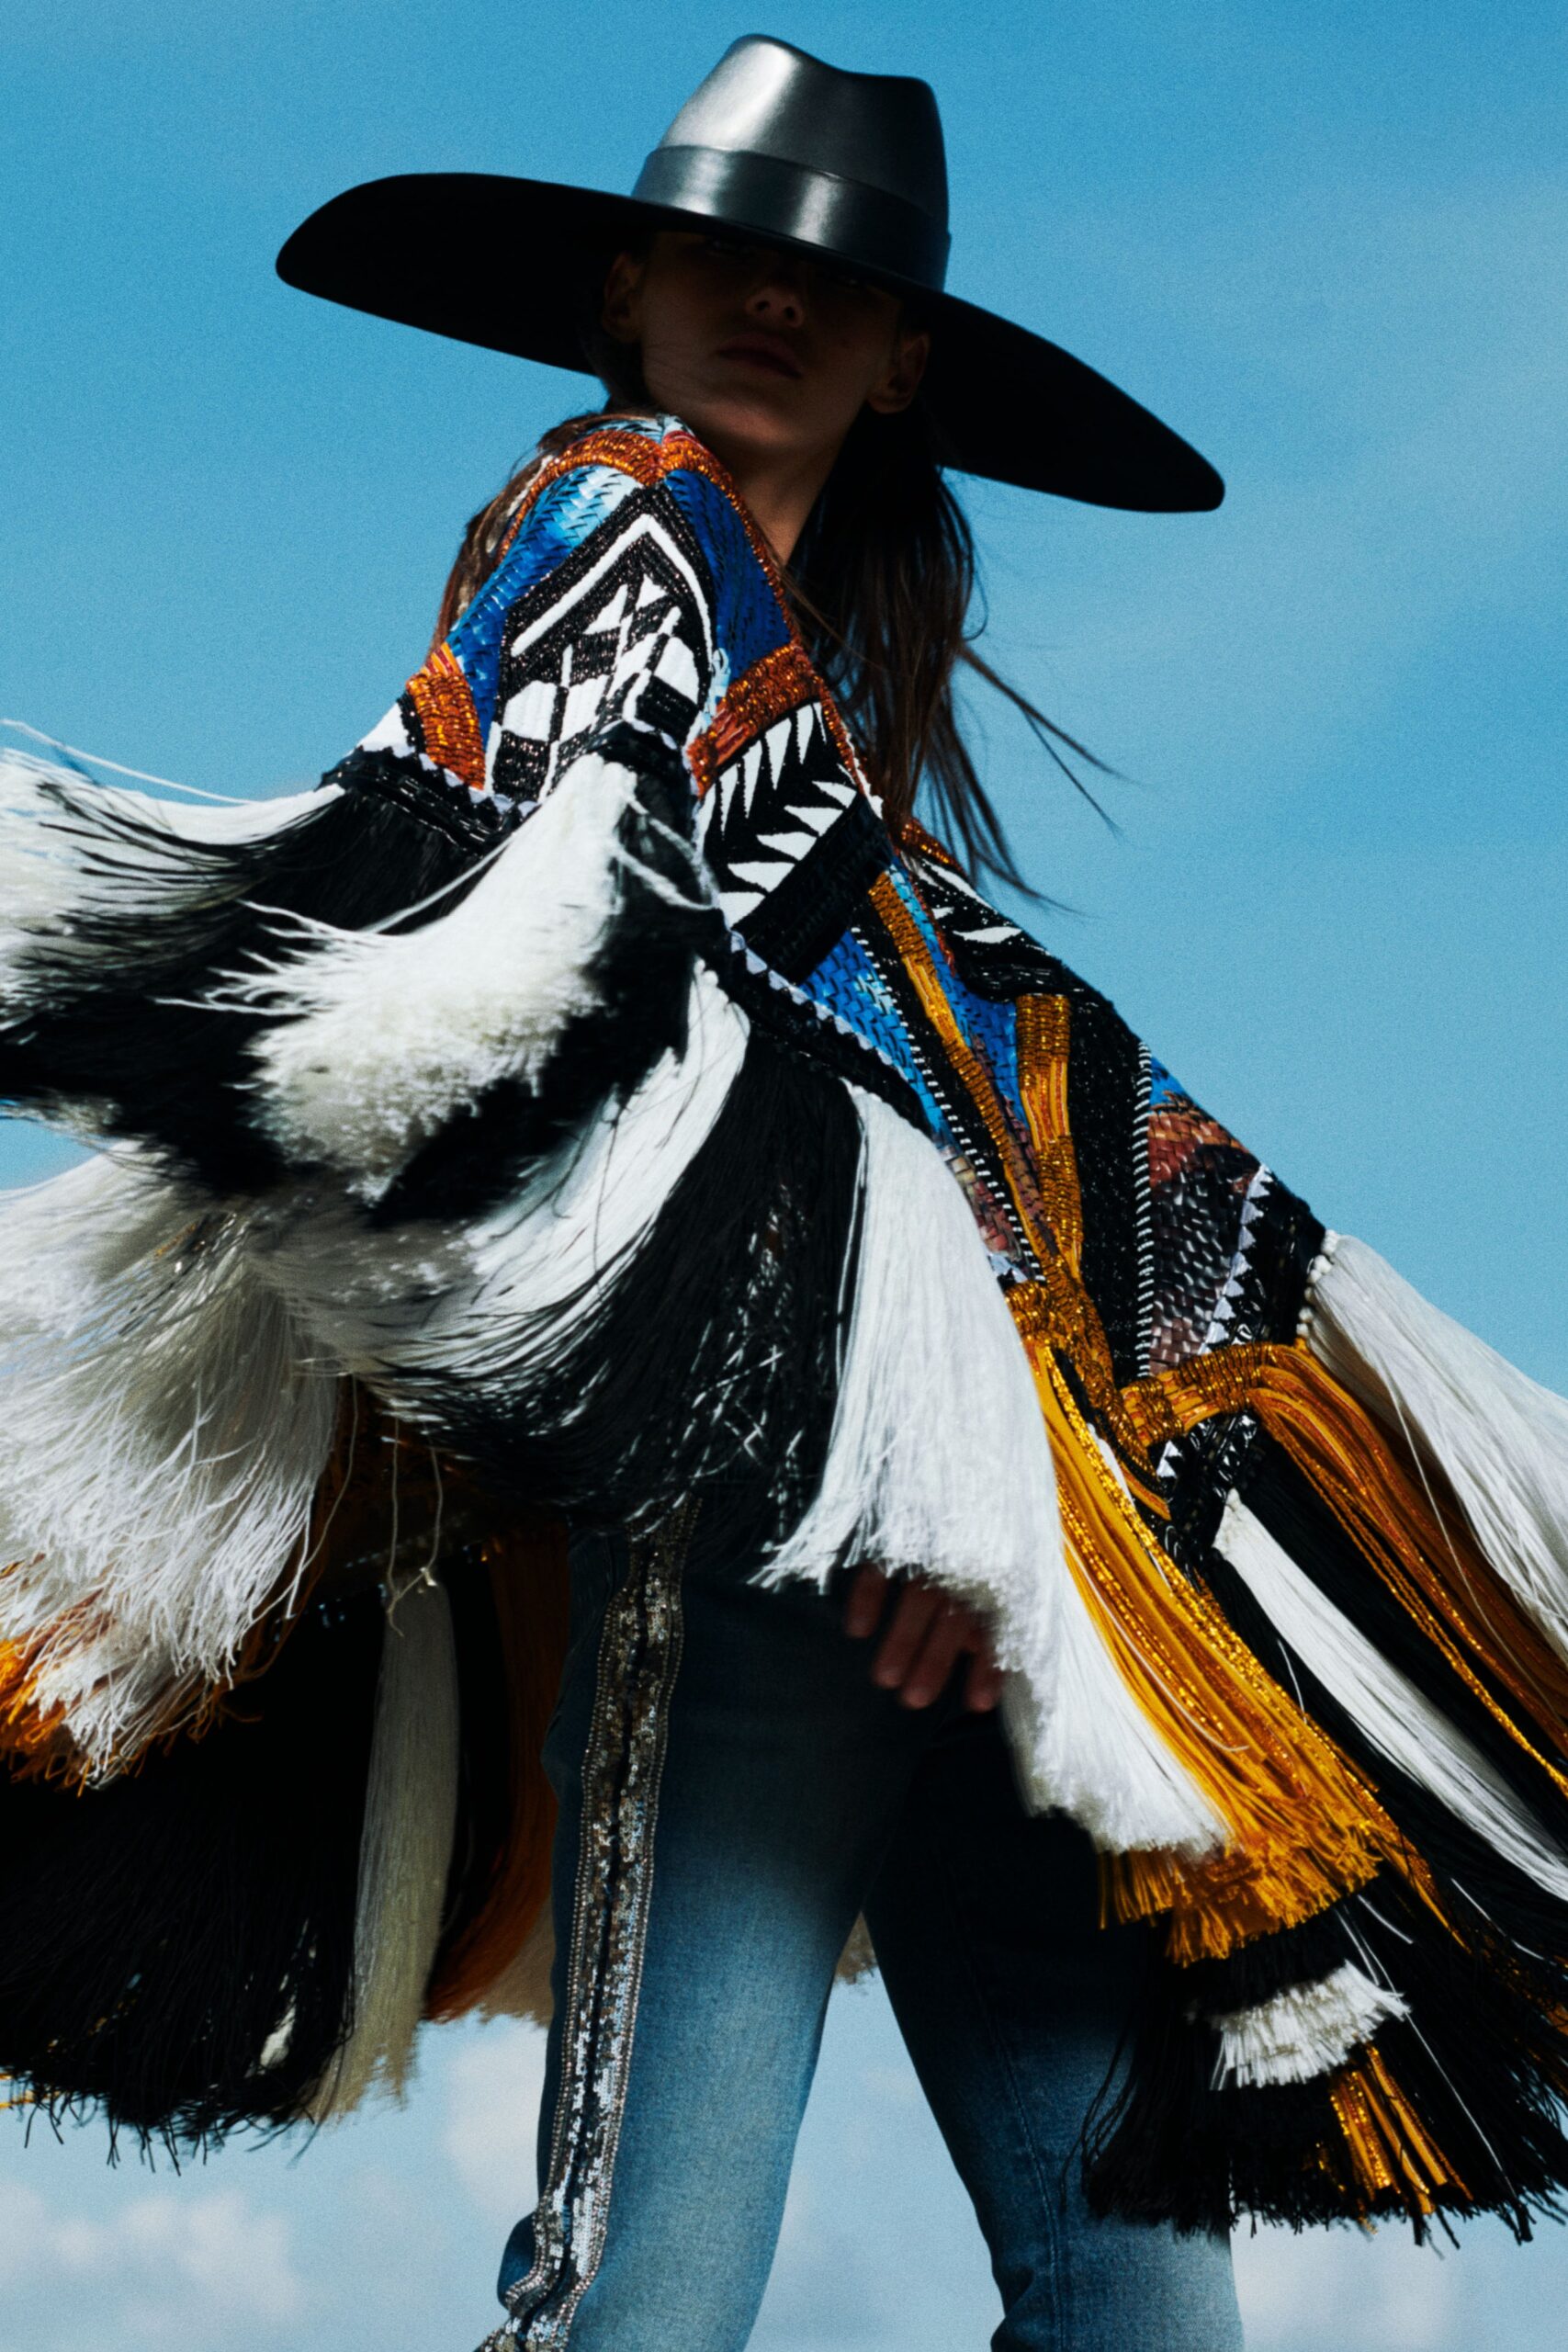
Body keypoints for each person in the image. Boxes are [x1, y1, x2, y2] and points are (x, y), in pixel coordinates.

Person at [4, 31, 1568, 2352]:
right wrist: (898, 1478)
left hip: (1010, 1622)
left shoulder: (828, 710)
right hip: (753, 1581)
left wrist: (1008, 1519)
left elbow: (942, 1115)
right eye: (724, 260)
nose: (770, 306)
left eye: (825, 283)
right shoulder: (601, 531)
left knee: (1133, 2303)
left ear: (905, 354)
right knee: (649, 2296)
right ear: (625, 286)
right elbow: (545, 1040)